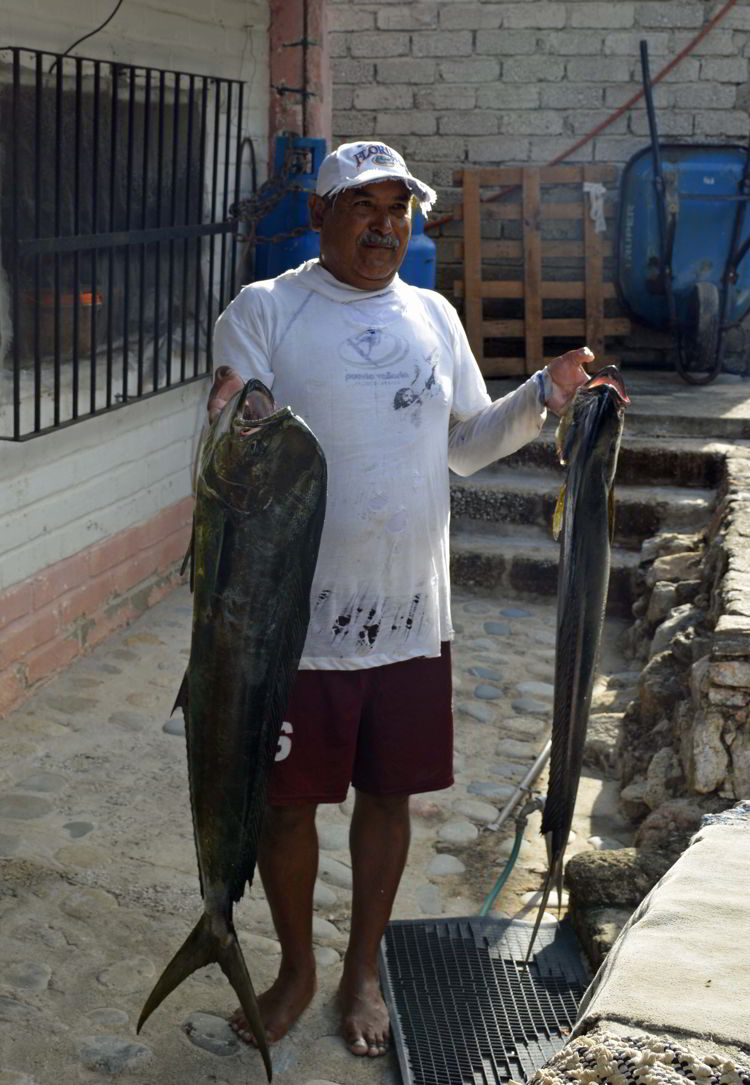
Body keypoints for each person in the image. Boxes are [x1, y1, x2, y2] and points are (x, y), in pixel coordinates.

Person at [208, 140, 590, 1059]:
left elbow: (465, 442)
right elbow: (231, 446)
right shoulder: (266, 310)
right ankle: (298, 966)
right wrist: (233, 420)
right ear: (320, 215)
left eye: (398, 209)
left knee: (389, 794)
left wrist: (544, 394)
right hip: (291, 622)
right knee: (286, 807)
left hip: (412, 611)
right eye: (362, 206)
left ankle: (362, 969)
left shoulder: (433, 312)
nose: (384, 226)